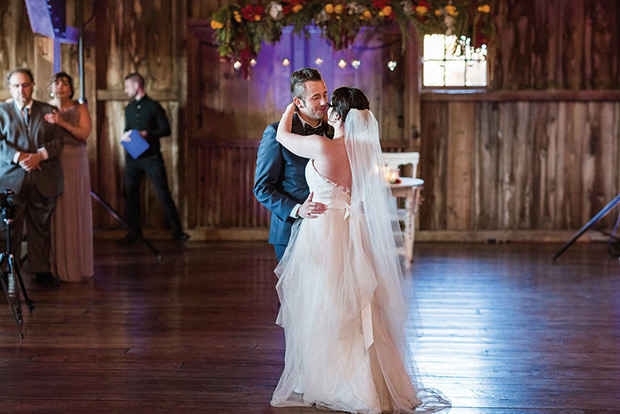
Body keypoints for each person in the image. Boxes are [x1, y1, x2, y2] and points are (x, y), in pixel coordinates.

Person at [270, 87, 450, 413]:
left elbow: (282, 136)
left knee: (325, 303)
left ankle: (329, 379)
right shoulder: (366, 148)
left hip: (324, 231)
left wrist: (290, 108)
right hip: (354, 230)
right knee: (360, 304)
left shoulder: (322, 146)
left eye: (330, 106)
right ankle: (373, 380)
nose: (325, 108)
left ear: (338, 116)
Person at [254, 67, 330, 261]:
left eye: (324, 94)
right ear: (298, 102)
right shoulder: (275, 133)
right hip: (290, 234)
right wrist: (298, 210)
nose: (324, 102)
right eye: (315, 97)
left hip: (330, 232)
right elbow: (262, 188)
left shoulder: (334, 130)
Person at [0, 68, 64, 285]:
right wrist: (18, 157)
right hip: (10, 180)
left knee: (41, 226)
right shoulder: (1, 111)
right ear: (9, 88)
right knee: (7, 229)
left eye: (25, 84)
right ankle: (5, 273)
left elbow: (58, 141)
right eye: (16, 85)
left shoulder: (48, 110)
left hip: (42, 177)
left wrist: (39, 156)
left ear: (33, 85)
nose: (21, 89)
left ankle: (41, 271)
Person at [119, 73, 189, 245]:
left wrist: (146, 133)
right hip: (133, 157)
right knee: (130, 194)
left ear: (137, 86)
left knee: (163, 192)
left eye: (127, 86)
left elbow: (166, 130)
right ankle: (134, 233)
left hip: (151, 157)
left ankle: (178, 232)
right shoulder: (128, 108)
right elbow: (127, 129)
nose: (125, 90)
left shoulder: (154, 106)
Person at [44, 72, 94, 282]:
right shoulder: (45, 107)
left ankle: (78, 264)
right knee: (57, 208)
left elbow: (84, 134)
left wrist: (62, 122)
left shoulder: (79, 107)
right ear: (51, 87)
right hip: (54, 160)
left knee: (75, 206)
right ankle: (55, 265)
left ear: (71, 89)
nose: (61, 87)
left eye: (65, 83)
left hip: (75, 160)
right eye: (57, 83)